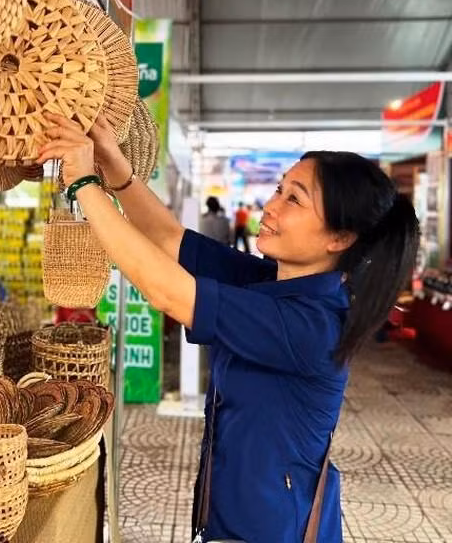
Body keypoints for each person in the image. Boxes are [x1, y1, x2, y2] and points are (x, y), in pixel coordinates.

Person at [38, 114, 420, 543]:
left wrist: (85, 185)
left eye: (294, 199)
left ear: (340, 239)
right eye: (279, 188)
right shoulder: (266, 283)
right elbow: (168, 238)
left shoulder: (313, 326)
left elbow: (169, 292)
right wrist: (113, 165)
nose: (271, 206)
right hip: (229, 517)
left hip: (271, 531)